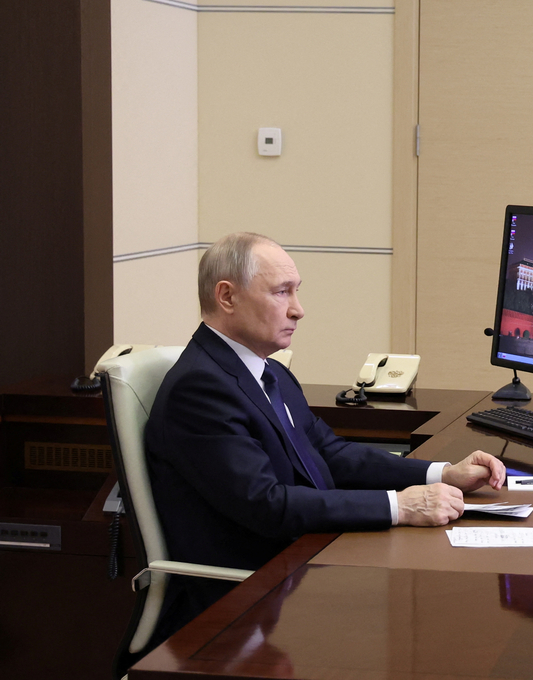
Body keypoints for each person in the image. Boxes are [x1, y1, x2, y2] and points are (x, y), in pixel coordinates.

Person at [145, 232, 506, 641]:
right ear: (227, 297)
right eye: (282, 293)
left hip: (302, 562)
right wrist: (400, 507)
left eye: (296, 292)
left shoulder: (270, 372)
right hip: (246, 598)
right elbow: (266, 505)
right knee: (429, 627)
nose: (299, 310)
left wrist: (441, 474)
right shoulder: (201, 389)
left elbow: (330, 454)